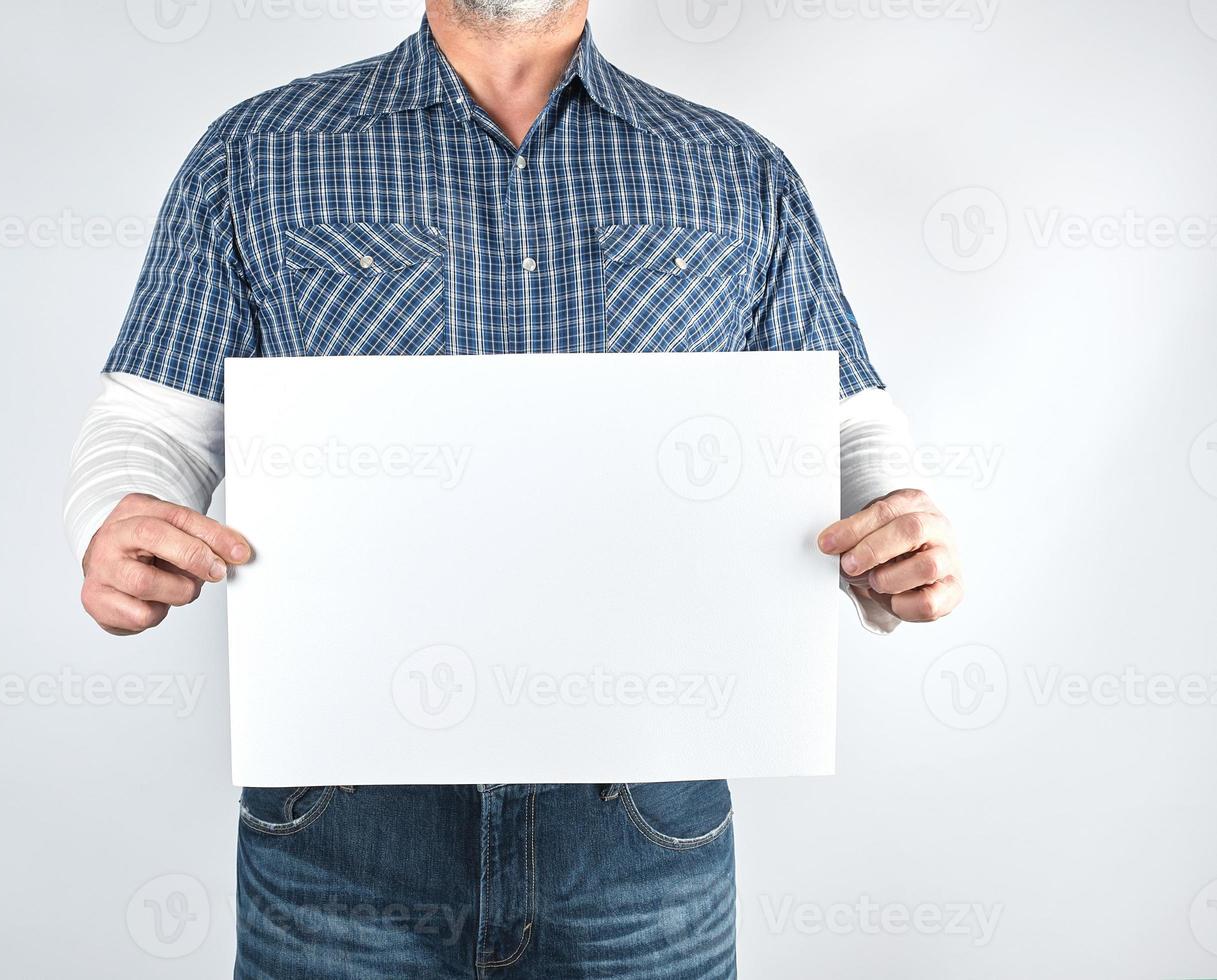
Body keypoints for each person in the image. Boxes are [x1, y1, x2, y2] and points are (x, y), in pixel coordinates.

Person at [64, 1, 964, 975]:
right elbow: (152, 424)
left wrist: (892, 528)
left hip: (640, 830)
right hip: (344, 826)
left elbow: (839, 422)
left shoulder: (737, 172)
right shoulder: (256, 154)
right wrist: (117, 520)